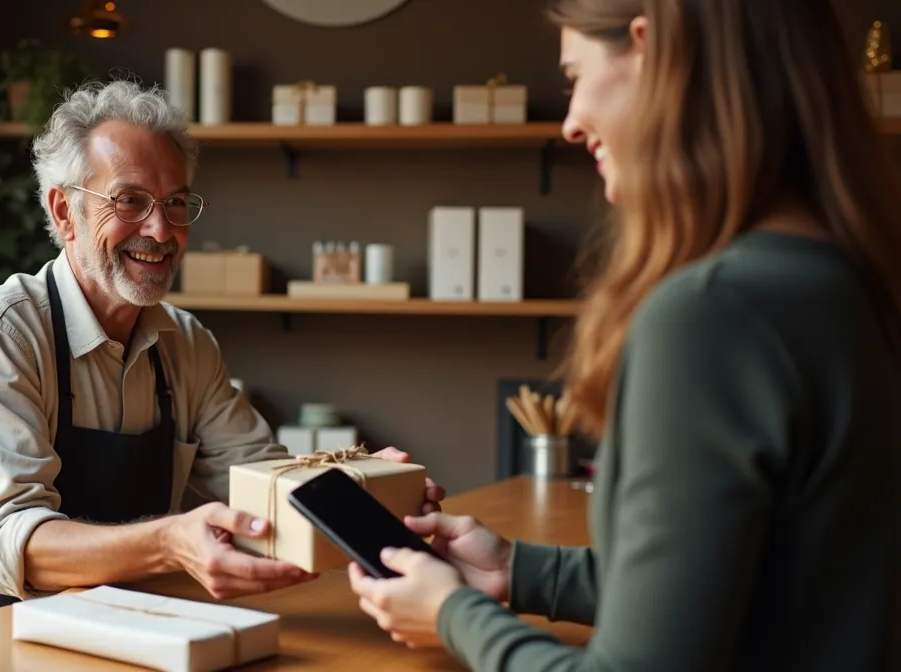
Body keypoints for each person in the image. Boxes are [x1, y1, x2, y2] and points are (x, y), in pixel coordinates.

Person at [348, 0, 901, 670]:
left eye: (575, 76)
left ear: (652, 51)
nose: (571, 123)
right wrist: (517, 570)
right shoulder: (843, 283)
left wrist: (453, 613)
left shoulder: (713, 314)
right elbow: (762, 585)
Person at [0, 79, 445, 630]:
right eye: (130, 200)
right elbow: (17, 547)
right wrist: (170, 542)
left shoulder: (185, 344)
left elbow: (259, 481)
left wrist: (360, 493)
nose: (161, 230)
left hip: (124, 626)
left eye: (176, 203)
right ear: (65, 212)